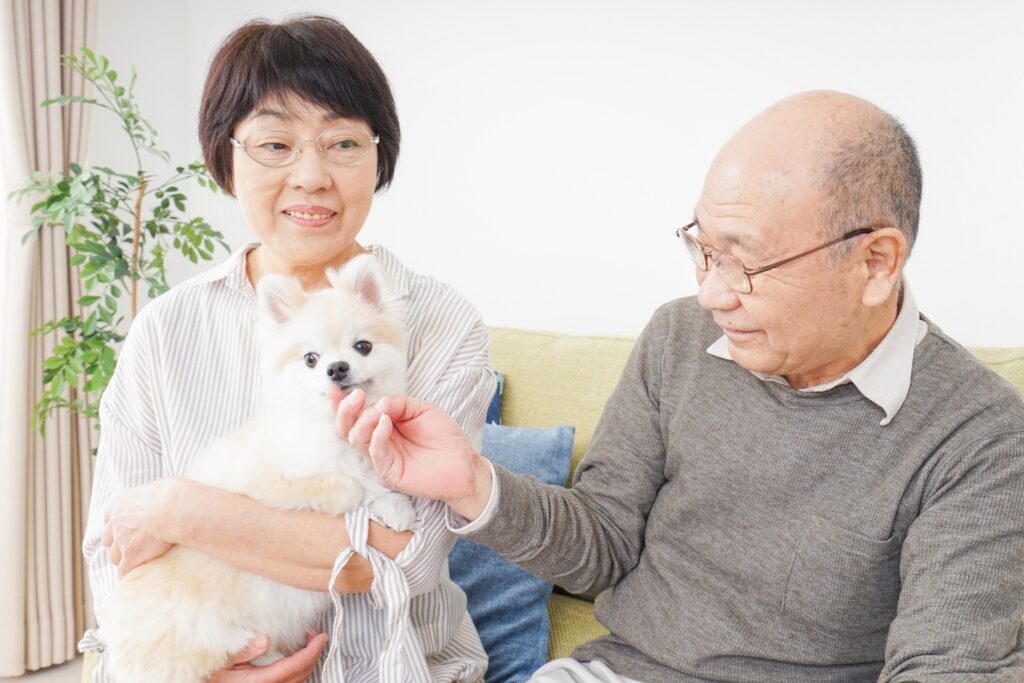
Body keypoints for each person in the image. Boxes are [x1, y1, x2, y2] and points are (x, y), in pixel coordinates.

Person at [340, 91, 1024, 682]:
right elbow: (601, 544)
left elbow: (949, 665)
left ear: (876, 263)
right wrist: (472, 481)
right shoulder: (679, 338)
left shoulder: (981, 440)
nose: (712, 291)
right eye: (704, 248)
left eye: (745, 262)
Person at [81, 15, 494, 683]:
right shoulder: (165, 329)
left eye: (341, 142)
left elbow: (405, 560)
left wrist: (184, 510)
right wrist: (201, 668)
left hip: (397, 667)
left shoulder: (443, 322)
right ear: (226, 155)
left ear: (378, 154)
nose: (311, 175)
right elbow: (116, 546)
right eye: (275, 143)